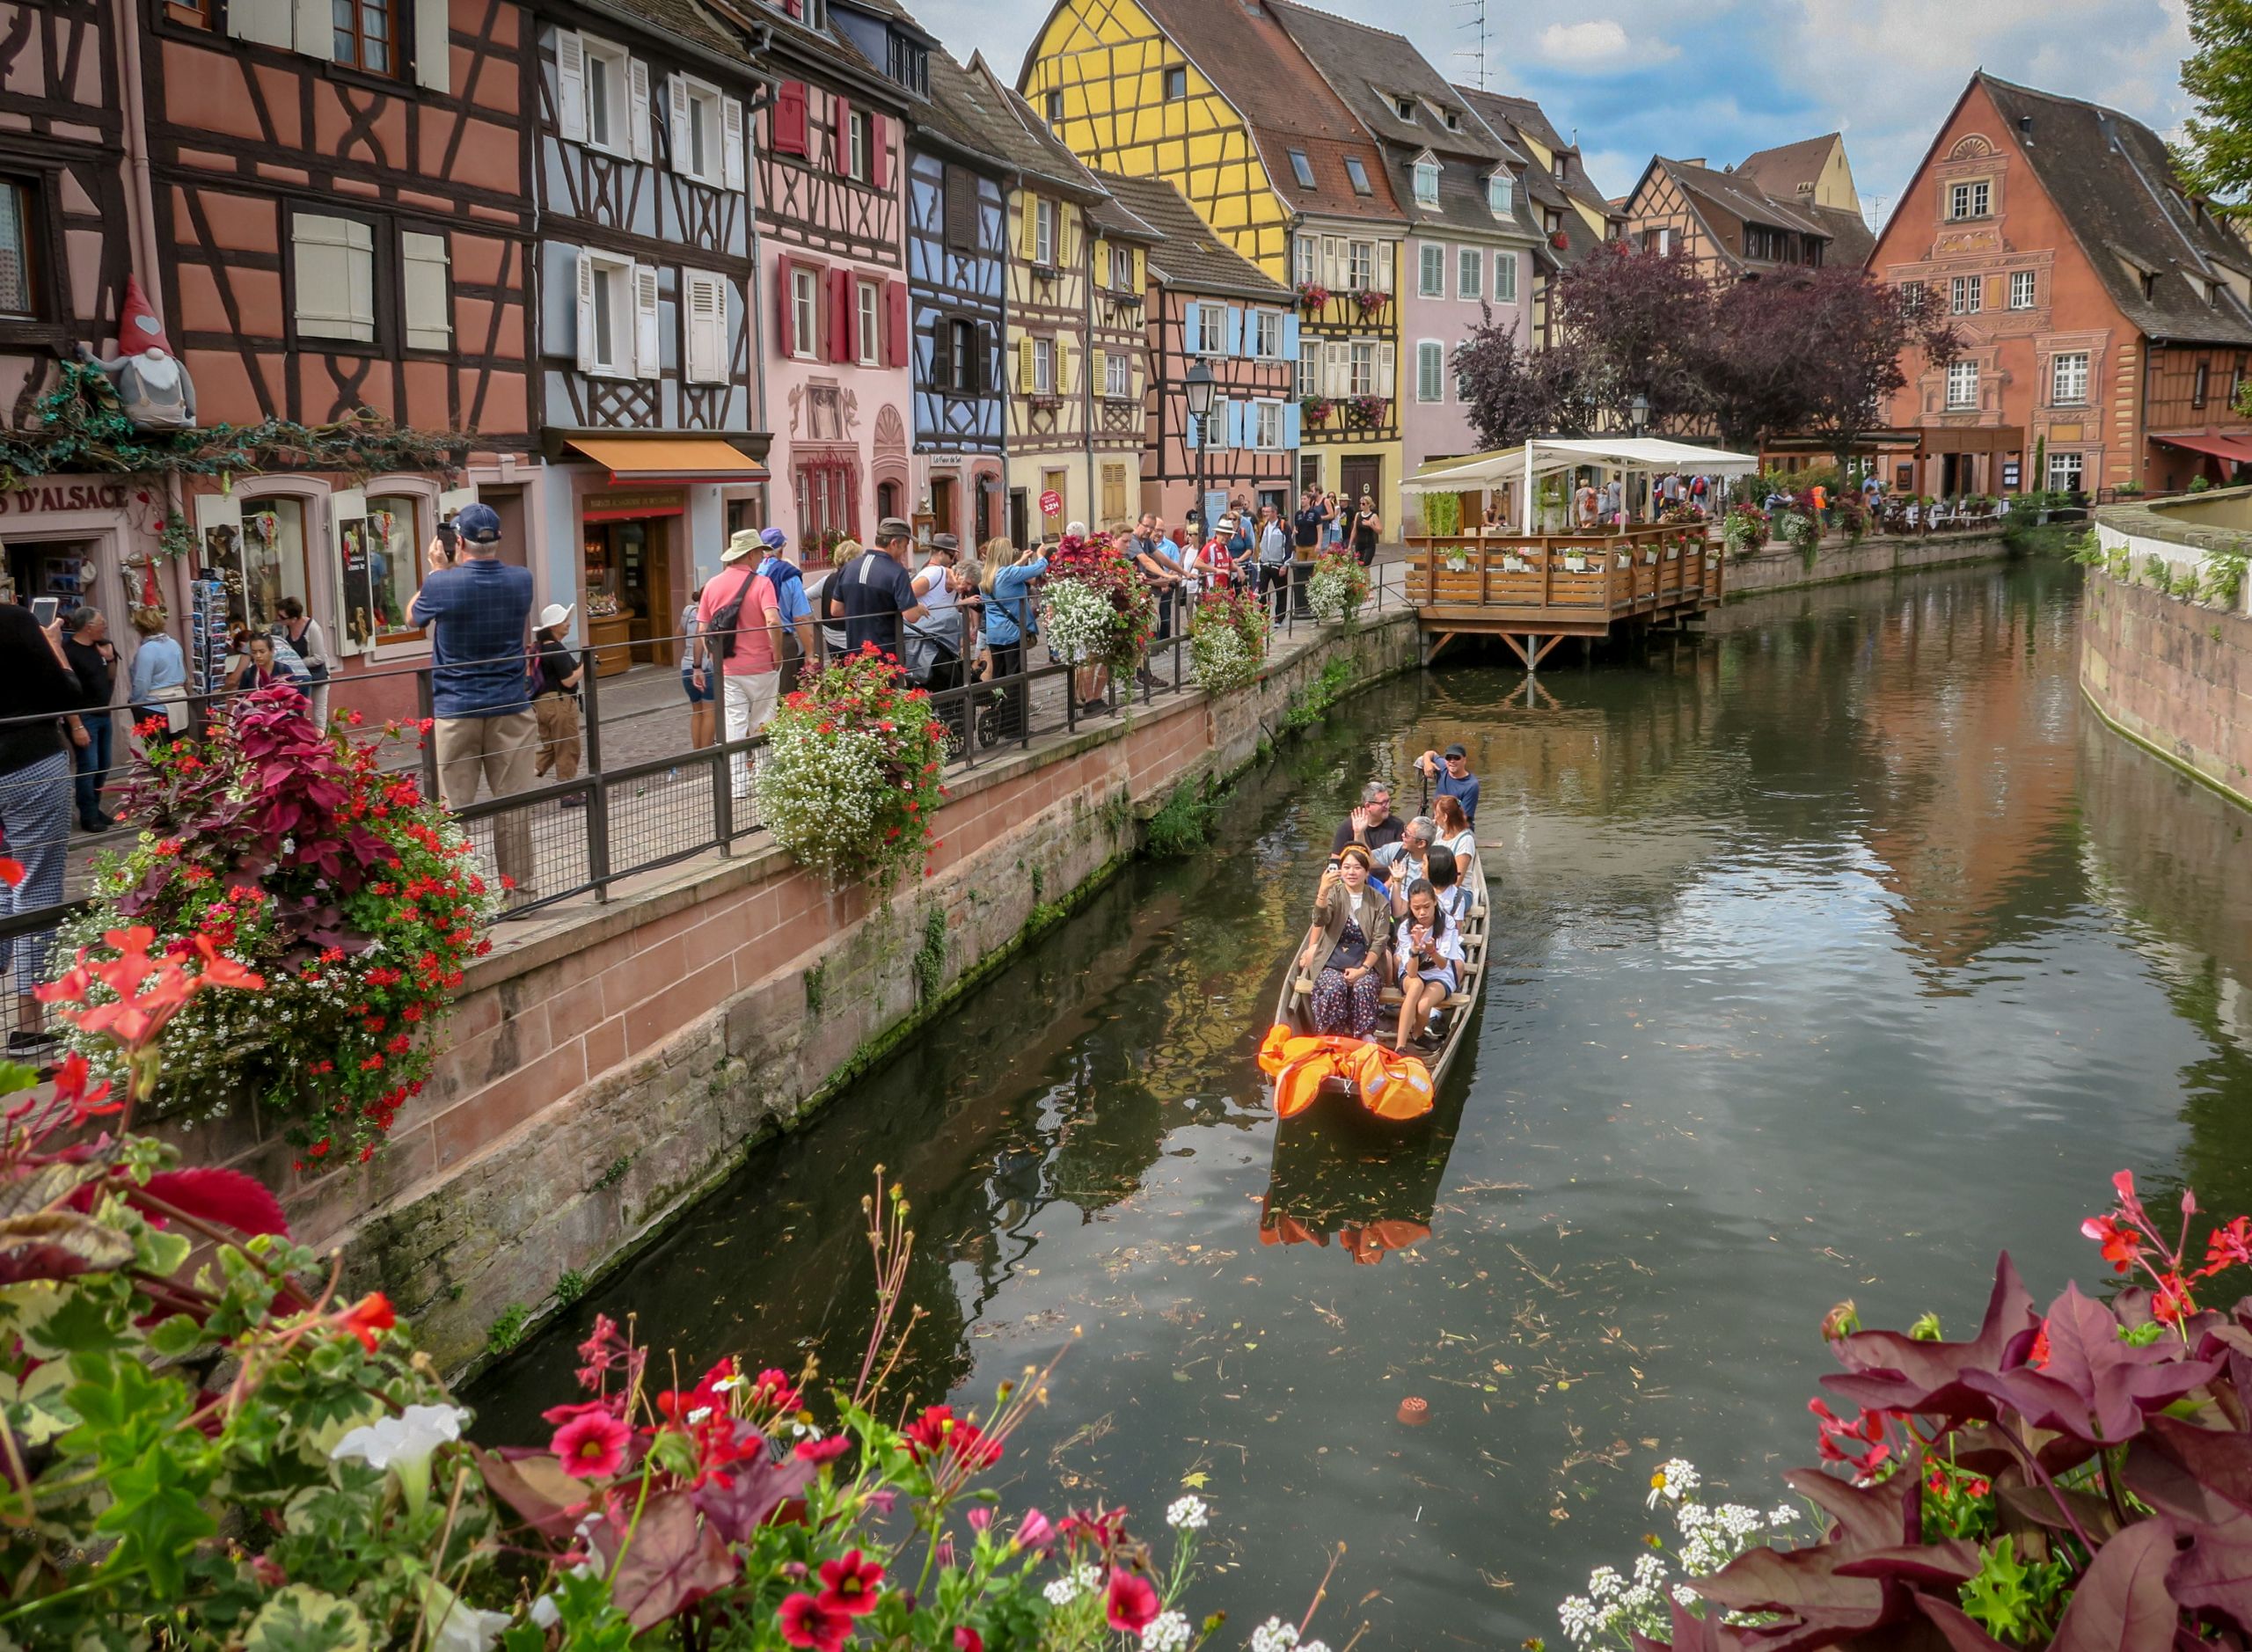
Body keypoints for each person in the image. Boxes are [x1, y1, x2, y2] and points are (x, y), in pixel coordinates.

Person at [407, 501, 537, 905]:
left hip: (456, 709)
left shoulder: (443, 583)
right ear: (498, 540)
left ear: (457, 541)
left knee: (453, 811)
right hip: (511, 707)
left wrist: (437, 570)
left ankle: (459, 901)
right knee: (513, 807)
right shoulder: (522, 579)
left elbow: (413, 618)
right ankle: (520, 897)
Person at [0, 603, 91, 1050]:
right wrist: (54, 646)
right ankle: (28, 1027)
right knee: (35, 887)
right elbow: (67, 694)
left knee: (2, 884)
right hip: (27, 763)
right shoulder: (15, 621)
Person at [698, 529, 785, 801]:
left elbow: (702, 630)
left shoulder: (712, 585)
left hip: (727, 667)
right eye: (760, 552)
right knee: (763, 721)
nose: (762, 557)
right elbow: (773, 620)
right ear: (749, 554)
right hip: (761, 665)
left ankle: (738, 786)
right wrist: (778, 653)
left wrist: (706, 661)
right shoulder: (762, 584)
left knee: (735, 724)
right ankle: (767, 780)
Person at [1298, 844, 1391, 1041]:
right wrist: (1322, 891)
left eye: (1357, 867)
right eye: (1346, 867)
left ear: (1366, 872)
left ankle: (1365, 1035)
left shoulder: (1379, 901)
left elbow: (1379, 942)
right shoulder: (1334, 893)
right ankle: (1329, 1033)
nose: (1351, 872)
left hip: (1366, 963)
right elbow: (1319, 920)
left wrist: (1363, 970)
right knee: (1334, 986)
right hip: (1332, 960)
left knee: (1364, 986)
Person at [828, 518, 924, 658]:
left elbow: (835, 610)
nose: (904, 552)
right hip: (886, 653)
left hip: (855, 651)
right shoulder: (897, 572)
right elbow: (912, 615)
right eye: (905, 546)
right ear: (894, 543)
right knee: (890, 680)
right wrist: (917, 608)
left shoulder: (849, 567)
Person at [979, 540, 1045, 739]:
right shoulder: (1008, 574)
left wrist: (1022, 560)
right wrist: (1041, 554)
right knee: (1015, 678)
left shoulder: (986, 576)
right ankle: (1014, 727)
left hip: (994, 634)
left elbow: (1007, 573)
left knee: (999, 677)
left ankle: (999, 720)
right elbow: (1040, 567)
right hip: (1012, 633)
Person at [59, 608, 117, 831]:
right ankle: (88, 814)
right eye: (101, 622)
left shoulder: (101, 645)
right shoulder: (69, 652)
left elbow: (110, 678)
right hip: (84, 717)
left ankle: (95, 806)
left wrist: (110, 659)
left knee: (104, 764)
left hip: (103, 713)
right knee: (89, 766)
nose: (105, 626)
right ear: (88, 626)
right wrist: (76, 725)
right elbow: (65, 693)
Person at [1393, 878, 1464, 1052]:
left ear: (1435, 902)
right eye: (1417, 908)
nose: (1422, 912)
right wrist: (1415, 950)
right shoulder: (1405, 928)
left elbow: (1442, 965)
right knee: (1415, 985)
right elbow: (1411, 973)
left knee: (1424, 1005)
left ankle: (1417, 1035)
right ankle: (1400, 1046)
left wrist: (1432, 951)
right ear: (1410, 907)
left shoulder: (1446, 923)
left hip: (1440, 973)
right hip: (1413, 972)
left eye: (1426, 906)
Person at [531, 602, 584, 800]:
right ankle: (569, 793)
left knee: (551, 749)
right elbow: (568, 680)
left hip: (542, 704)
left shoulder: (540, 648)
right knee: (568, 747)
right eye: (564, 621)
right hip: (559, 703)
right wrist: (586, 665)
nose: (568, 624)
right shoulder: (556, 649)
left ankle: (522, 780)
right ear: (553, 627)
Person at [754, 527, 817, 691]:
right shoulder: (790, 576)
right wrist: (810, 651)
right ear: (782, 548)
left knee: (762, 699)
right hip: (783, 641)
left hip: (755, 642)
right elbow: (800, 619)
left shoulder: (755, 573)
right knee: (785, 697)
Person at [126, 607, 188, 749]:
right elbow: (183, 673)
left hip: (155, 706)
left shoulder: (147, 650)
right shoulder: (174, 644)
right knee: (180, 751)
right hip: (179, 702)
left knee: (158, 753)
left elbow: (142, 682)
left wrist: (135, 702)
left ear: (140, 627)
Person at [274, 596, 333, 727]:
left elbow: (319, 657)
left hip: (317, 674)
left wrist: (296, 663)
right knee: (298, 709)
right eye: (278, 615)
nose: (278, 619)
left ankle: (321, 742)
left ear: (294, 619)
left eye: (282, 617)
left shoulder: (313, 628)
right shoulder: (286, 627)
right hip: (297, 677)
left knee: (319, 711)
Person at [678, 583, 713, 750]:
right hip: (707, 666)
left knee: (696, 710)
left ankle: (697, 750)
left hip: (687, 666)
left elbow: (678, 633)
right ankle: (707, 752)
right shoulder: (715, 614)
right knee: (709, 711)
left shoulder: (688, 612)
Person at [1378, 817, 1437, 915]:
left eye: (1407, 835)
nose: (1402, 835)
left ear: (1421, 843)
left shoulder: (1434, 865)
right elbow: (1366, 858)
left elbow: (1399, 912)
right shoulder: (1400, 852)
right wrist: (1359, 833)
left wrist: (1397, 880)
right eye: (1404, 831)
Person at [1331, 779, 1405, 855]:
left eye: (1388, 801)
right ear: (1368, 806)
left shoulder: (1397, 826)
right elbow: (1335, 859)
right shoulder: (1348, 826)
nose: (1387, 806)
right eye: (1383, 803)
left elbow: (1400, 858)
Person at [1417, 742, 1480, 823]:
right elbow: (1430, 753)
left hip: (1458, 827)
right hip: (1438, 822)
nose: (1452, 761)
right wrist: (1427, 763)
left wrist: (1437, 822)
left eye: (1456, 758)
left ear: (1464, 760)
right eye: (1448, 758)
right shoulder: (1442, 767)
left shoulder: (1471, 785)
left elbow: (1464, 817)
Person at [1257, 503, 1291, 624]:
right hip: (1265, 564)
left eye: (1267, 512)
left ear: (1274, 513)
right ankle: (1263, 617)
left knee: (1280, 592)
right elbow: (1261, 543)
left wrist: (1285, 564)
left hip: (1278, 565)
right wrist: (1260, 561)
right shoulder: (1264, 526)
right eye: (1264, 512)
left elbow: (1288, 546)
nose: (1265, 514)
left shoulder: (1284, 526)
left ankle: (1279, 617)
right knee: (1262, 592)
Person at [1432, 793, 1475, 865]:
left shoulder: (1465, 841)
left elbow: (1459, 875)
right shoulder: (1439, 831)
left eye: (1436, 814)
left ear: (1445, 817)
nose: (1435, 817)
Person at [1351, 493, 1381, 568]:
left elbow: (1380, 531)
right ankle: (1363, 580)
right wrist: (1350, 544)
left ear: (1369, 505)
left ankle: (1367, 580)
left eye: (1363, 504)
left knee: (1364, 564)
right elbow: (1354, 530)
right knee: (1359, 566)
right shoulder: (1358, 515)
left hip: (1369, 545)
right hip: (1359, 544)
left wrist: (1371, 525)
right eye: (1360, 503)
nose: (1361, 505)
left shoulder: (1373, 516)